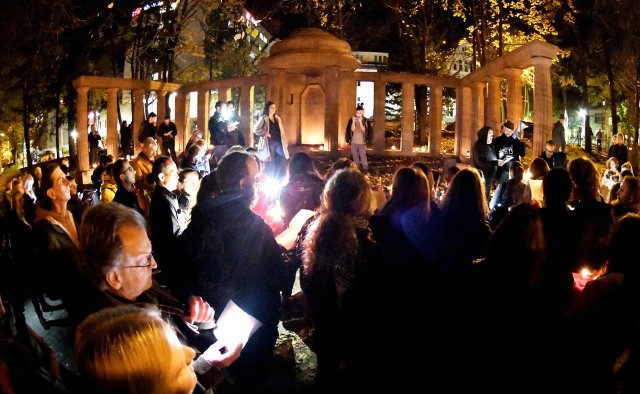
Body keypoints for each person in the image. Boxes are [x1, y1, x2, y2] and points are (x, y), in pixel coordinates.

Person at [180, 151, 289, 393]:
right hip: (248, 330)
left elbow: (183, 262)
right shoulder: (255, 226)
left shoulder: (200, 217)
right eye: (256, 178)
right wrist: (288, 255)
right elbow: (279, 277)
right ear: (244, 184)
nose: (259, 183)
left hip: (209, 321)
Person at [253, 101, 290, 181]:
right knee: (270, 160)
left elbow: (282, 131)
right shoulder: (263, 118)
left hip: (279, 142)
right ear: (268, 109)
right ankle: (270, 178)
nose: (273, 109)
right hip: (269, 143)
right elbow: (255, 129)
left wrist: (285, 141)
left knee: (283, 157)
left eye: (274, 108)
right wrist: (265, 133)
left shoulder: (277, 118)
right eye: (271, 108)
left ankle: (282, 176)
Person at [493, 119, 525, 186]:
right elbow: (494, 157)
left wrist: (520, 142)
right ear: (503, 129)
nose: (509, 133)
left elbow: (522, 154)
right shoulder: (497, 141)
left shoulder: (516, 141)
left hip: (514, 172)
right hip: (502, 172)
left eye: (510, 131)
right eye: (507, 130)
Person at [472, 125, 498, 201]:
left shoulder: (491, 145)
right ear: (484, 134)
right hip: (482, 176)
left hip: (489, 177)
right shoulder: (478, 145)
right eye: (489, 134)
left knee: (485, 196)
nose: (491, 136)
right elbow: (480, 161)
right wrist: (495, 163)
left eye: (492, 134)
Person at [208, 101, 237, 167]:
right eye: (224, 108)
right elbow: (215, 133)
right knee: (220, 165)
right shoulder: (213, 119)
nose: (226, 109)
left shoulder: (223, 118)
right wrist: (227, 129)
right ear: (218, 109)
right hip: (219, 146)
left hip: (225, 145)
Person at [345, 105, 372, 172]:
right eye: (357, 112)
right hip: (354, 141)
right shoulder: (352, 120)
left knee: (363, 155)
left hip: (362, 142)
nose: (358, 114)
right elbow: (352, 129)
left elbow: (364, 130)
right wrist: (354, 121)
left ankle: (365, 168)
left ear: (363, 112)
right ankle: (357, 168)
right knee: (355, 155)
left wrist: (360, 122)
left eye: (360, 113)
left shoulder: (365, 121)